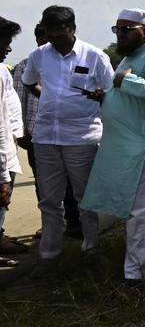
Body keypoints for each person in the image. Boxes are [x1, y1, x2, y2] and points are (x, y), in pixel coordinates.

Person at [80, 9, 145, 286]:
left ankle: (134, 276)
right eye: (117, 29)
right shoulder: (131, 56)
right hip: (130, 149)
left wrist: (127, 80)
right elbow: (132, 96)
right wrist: (107, 97)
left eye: (127, 29)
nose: (121, 34)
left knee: (140, 214)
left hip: (144, 150)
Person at [21, 5, 111, 272]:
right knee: (49, 199)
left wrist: (97, 98)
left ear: (72, 28)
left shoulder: (94, 56)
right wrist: (46, 97)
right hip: (46, 135)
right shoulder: (38, 55)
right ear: (45, 30)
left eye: (61, 29)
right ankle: (49, 255)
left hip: (82, 136)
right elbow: (28, 81)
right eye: (51, 30)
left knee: (85, 197)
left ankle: (91, 249)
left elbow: (109, 93)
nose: (56, 34)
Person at [13, 24, 82, 242]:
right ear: (39, 40)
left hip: (68, 133)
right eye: (45, 38)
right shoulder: (25, 65)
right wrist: (21, 132)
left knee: (72, 183)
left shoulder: (70, 64)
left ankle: (74, 223)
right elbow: (18, 99)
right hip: (37, 135)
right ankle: (51, 226)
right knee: (45, 185)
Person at [0, 16, 26, 263]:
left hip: (7, 146)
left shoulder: (2, 71)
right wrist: (3, 176)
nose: (8, 48)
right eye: (5, 42)